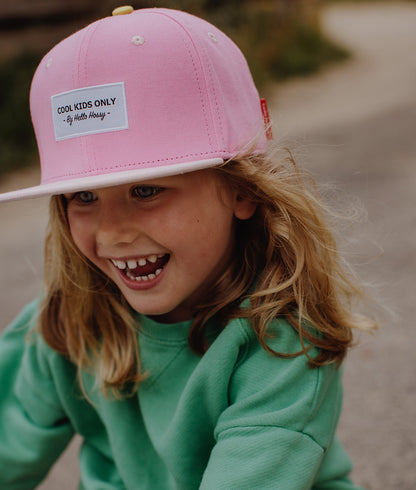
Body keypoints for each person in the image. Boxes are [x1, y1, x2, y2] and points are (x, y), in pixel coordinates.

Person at [0, 6, 375, 489]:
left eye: (146, 190)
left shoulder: (281, 342)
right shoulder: (65, 323)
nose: (112, 233)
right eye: (84, 198)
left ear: (241, 190)